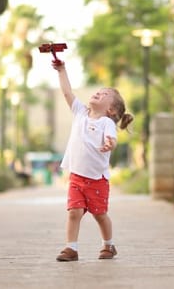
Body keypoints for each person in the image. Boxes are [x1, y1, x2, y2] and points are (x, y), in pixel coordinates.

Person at [52, 58, 134, 262]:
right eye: (99, 90)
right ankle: (71, 248)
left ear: (111, 110)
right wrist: (62, 70)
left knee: (100, 215)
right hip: (77, 178)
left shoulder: (106, 122)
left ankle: (109, 245)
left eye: (105, 94)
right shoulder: (80, 113)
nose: (99, 92)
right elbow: (67, 93)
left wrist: (110, 144)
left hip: (97, 179)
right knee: (74, 212)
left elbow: (112, 139)